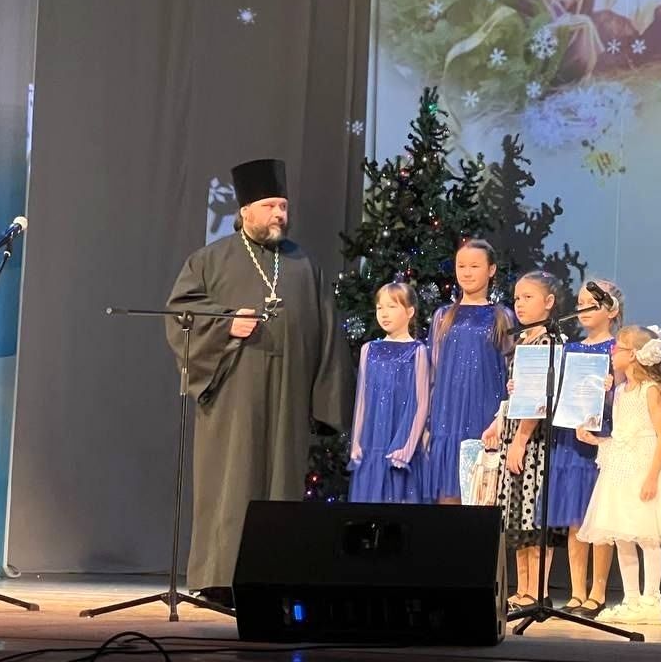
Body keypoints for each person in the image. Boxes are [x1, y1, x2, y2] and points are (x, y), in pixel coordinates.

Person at [165, 158, 354, 608]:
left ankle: (274, 573)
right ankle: (220, 577)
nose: (279, 215)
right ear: (246, 210)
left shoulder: (304, 264)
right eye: (270, 206)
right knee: (232, 479)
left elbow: (329, 332)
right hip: (234, 392)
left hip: (290, 390)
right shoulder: (210, 260)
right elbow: (180, 316)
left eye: (283, 206)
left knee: (282, 483)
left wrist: (324, 401)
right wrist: (226, 324)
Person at [576, 325, 661, 625]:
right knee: (622, 536)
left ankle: (651, 599)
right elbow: (622, 435)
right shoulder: (619, 391)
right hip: (620, 470)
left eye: (619, 348)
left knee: (646, 536)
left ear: (634, 355)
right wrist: (597, 440)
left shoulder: (650, 391)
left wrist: (652, 477)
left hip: (644, 468)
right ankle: (631, 599)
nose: (613, 351)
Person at [482, 271, 568, 612]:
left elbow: (537, 400)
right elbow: (517, 394)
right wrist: (498, 422)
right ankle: (522, 588)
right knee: (518, 514)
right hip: (515, 434)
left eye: (528, 297)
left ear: (549, 302)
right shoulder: (525, 341)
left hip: (534, 441)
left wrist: (520, 439)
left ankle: (537, 590)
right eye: (517, 297)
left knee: (533, 515)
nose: (519, 304)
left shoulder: (548, 342)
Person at [548, 280, 623, 620]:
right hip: (570, 439)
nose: (584, 308)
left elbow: (634, 395)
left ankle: (598, 592)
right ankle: (577, 591)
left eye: (594, 302)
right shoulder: (571, 349)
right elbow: (558, 392)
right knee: (575, 518)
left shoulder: (618, 349)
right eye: (581, 302)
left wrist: (614, 388)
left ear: (612, 310)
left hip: (601, 439)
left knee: (599, 519)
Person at [424, 239, 515, 503]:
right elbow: (433, 369)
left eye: (474, 266)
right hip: (447, 414)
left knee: (481, 493)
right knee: (448, 490)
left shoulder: (501, 316)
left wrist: (501, 419)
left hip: (485, 413)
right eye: (461, 266)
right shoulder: (443, 315)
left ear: (491, 270)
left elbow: (510, 367)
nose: (466, 272)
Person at [347, 282, 430, 504]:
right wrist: (356, 442)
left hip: (400, 441)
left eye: (392, 307)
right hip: (371, 441)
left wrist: (407, 447)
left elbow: (422, 402)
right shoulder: (368, 350)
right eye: (379, 308)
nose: (384, 314)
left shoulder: (417, 351)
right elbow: (362, 401)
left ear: (410, 312)